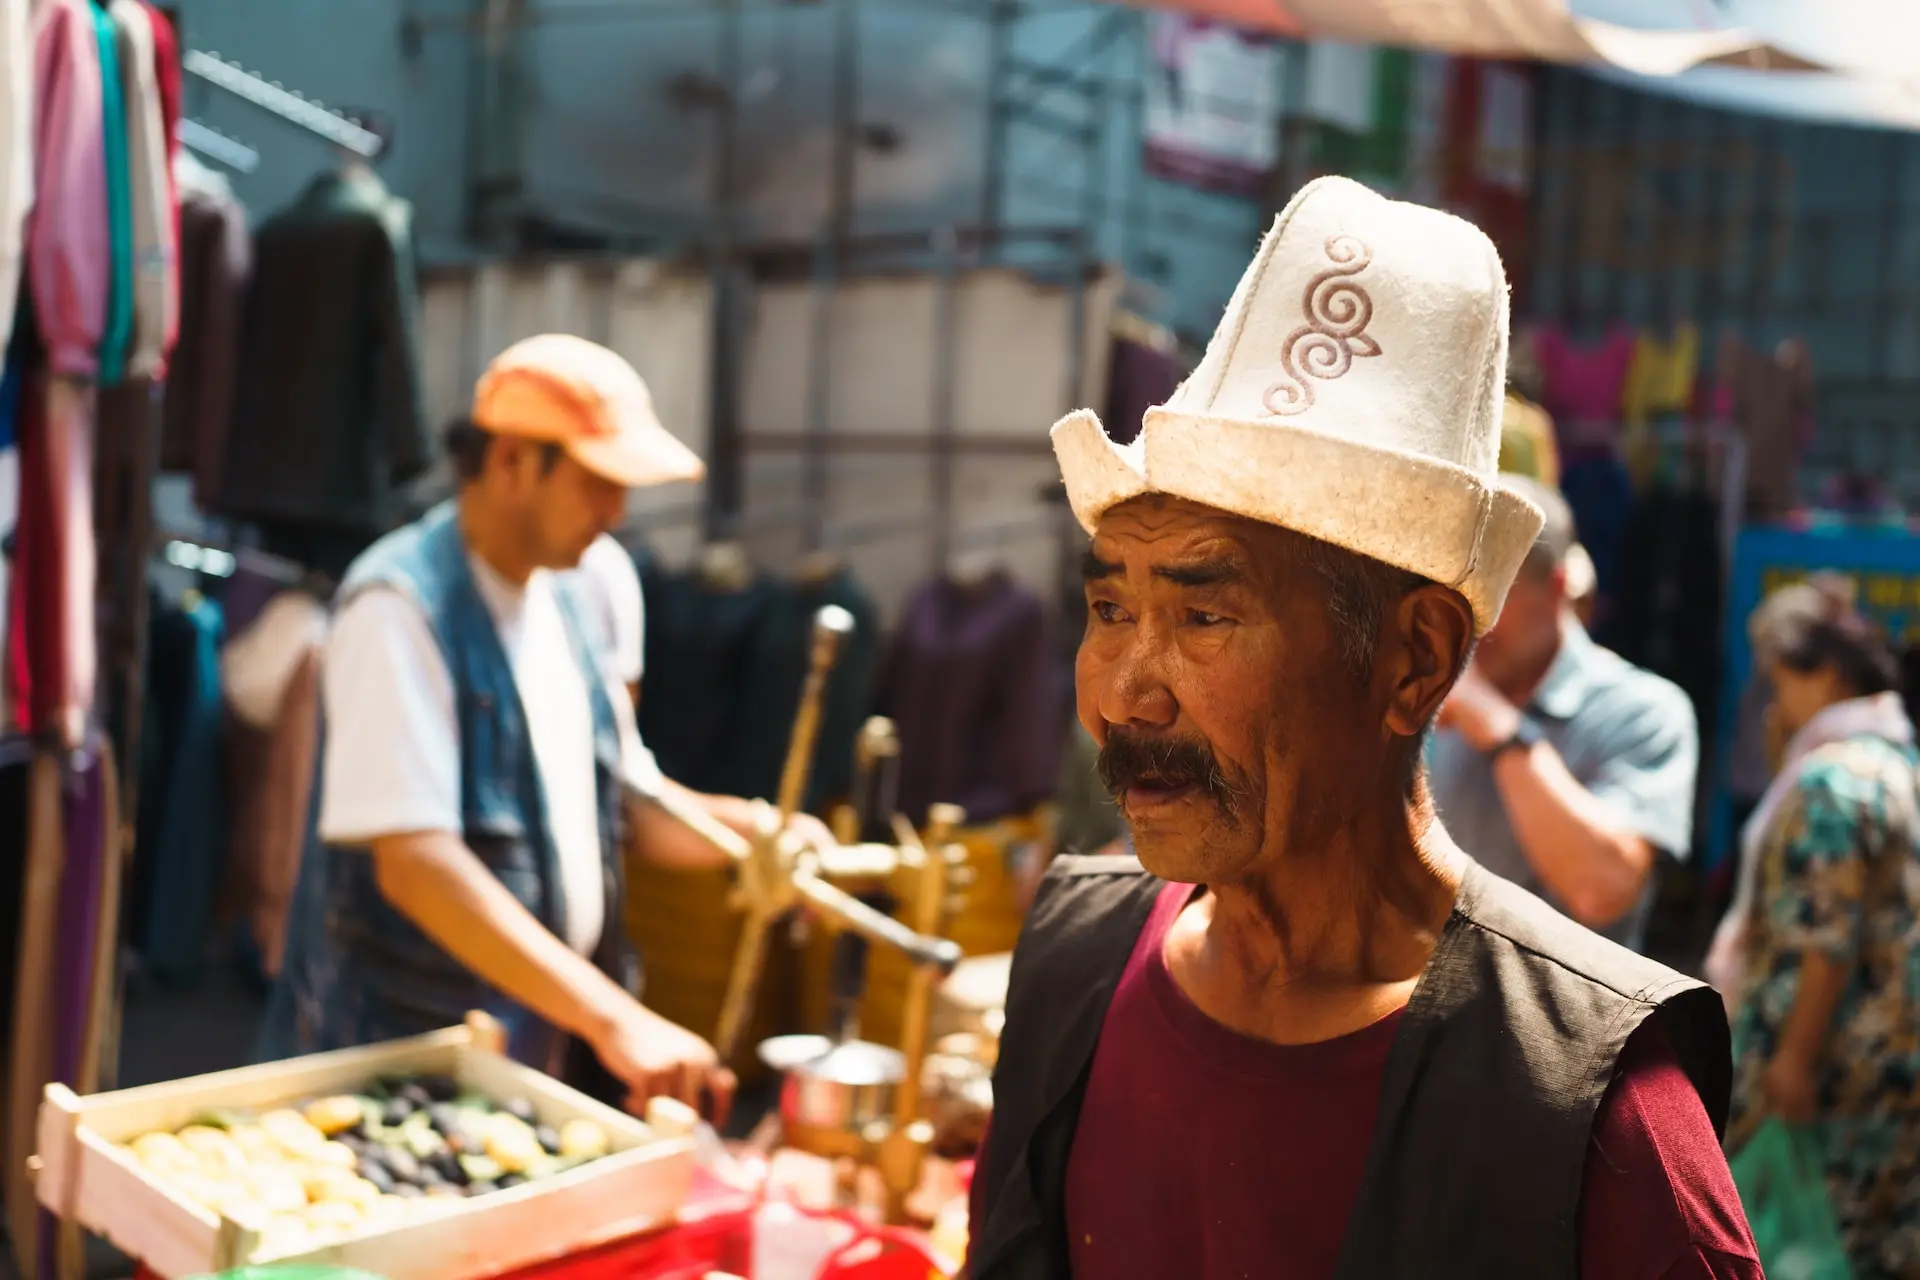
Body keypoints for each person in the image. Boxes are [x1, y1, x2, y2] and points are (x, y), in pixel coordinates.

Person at [968, 177, 1758, 1279]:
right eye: (1110, 608)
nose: (1126, 693)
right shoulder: (1071, 963)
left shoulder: (1596, 1117)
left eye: (1204, 614)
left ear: (1414, 658)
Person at [261, 334, 835, 1118]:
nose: (617, 512)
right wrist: (616, 1018)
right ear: (511, 463)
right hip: (396, 1064)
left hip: (526, 1047)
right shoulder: (398, 607)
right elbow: (415, 862)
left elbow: (627, 807)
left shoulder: (578, 590)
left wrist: (754, 834)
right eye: (599, 481)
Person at [1708, 577, 1920, 1279]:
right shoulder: (1897, 762)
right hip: (1888, 1053)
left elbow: (1826, 933)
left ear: (1825, 675)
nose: (1776, 705)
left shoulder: (1833, 778)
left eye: (1781, 683)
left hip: (1828, 1060)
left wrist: (1792, 1060)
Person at [1428, 474, 1698, 950]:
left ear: (1556, 589)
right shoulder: (1430, 686)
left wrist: (1499, 729)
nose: (1467, 620)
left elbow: (1600, 889)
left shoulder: (1644, 710)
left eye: (1490, 598)